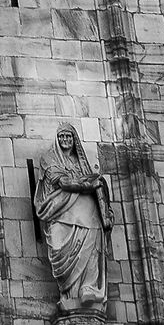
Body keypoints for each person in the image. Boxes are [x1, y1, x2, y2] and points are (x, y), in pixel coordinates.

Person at [32, 123, 112, 312]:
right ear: (57, 140)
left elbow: (94, 183)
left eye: (69, 136)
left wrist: (95, 183)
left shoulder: (82, 163)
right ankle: (70, 291)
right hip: (61, 211)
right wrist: (89, 184)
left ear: (74, 139)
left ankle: (88, 288)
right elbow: (65, 182)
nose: (65, 140)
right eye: (62, 137)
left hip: (87, 211)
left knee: (91, 244)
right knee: (60, 248)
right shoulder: (49, 158)